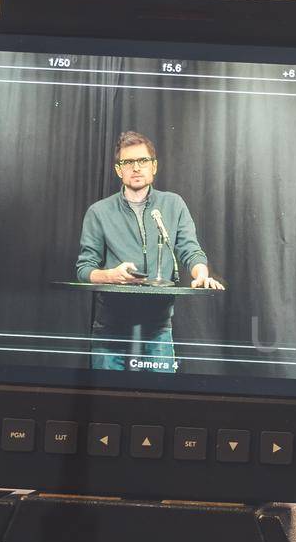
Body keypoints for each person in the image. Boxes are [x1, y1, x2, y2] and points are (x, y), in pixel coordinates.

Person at [75, 131, 223, 372]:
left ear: (154, 166)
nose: (136, 168)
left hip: (158, 330)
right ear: (118, 170)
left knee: (157, 404)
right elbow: (84, 269)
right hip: (111, 331)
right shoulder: (98, 212)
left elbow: (190, 250)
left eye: (143, 161)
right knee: (108, 405)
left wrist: (201, 272)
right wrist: (110, 275)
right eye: (128, 162)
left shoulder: (173, 204)